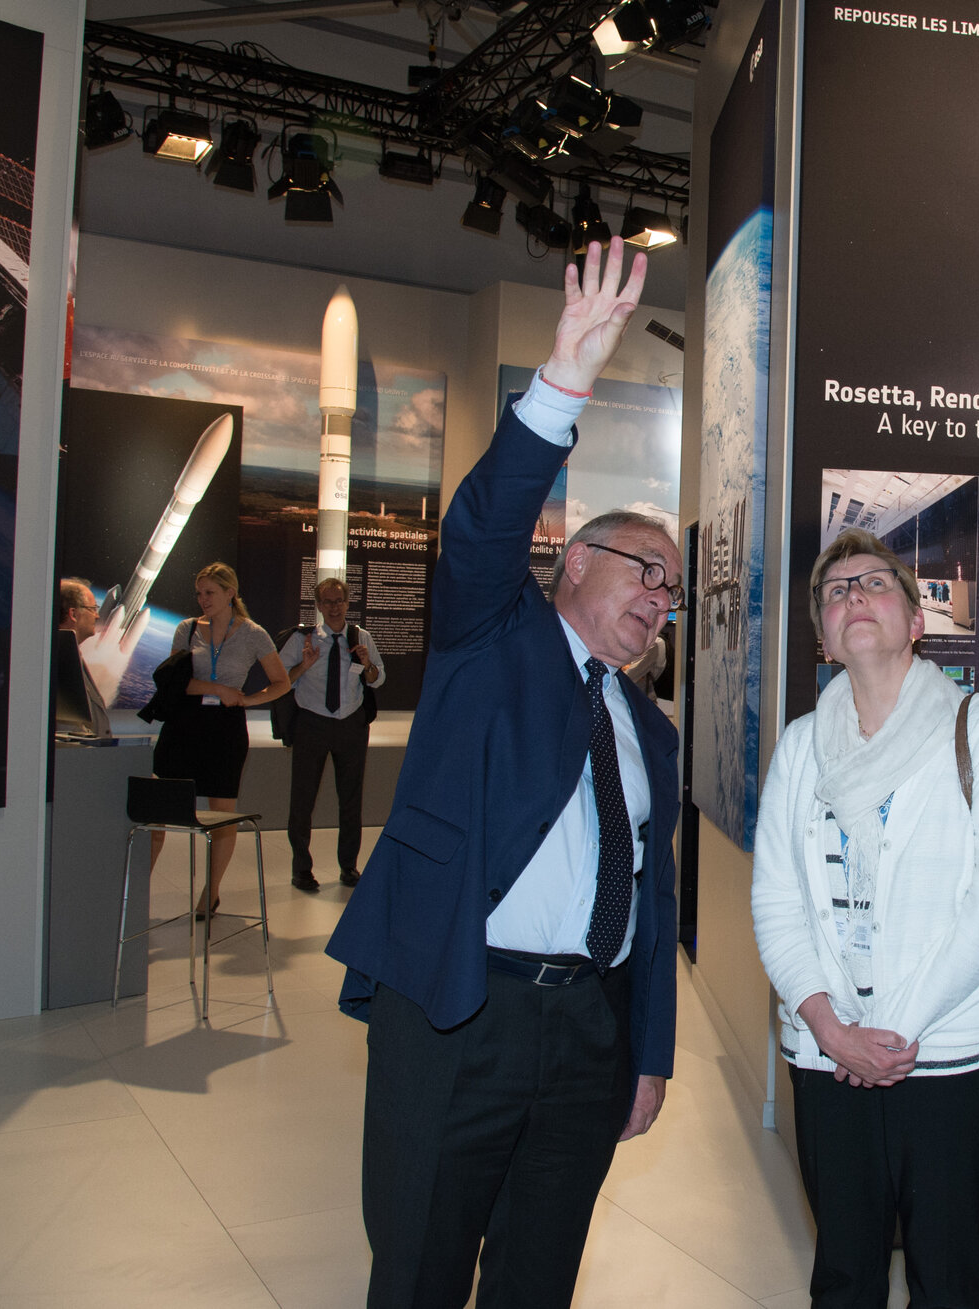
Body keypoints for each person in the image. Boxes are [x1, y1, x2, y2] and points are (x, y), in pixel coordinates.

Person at [324, 243, 680, 1309]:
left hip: (588, 1031)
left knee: (539, 1273)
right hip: (459, 1006)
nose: (661, 597)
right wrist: (563, 380)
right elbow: (479, 532)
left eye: (672, 585)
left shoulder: (647, 731)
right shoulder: (492, 638)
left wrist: (647, 1051)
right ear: (573, 560)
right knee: (424, 1263)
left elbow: (653, 904)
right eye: (643, 572)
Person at [751, 529, 979, 1309]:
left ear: (916, 621)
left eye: (873, 583)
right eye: (837, 591)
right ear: (824, 634)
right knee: (843, 1273)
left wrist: (891, 1035)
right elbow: (777, 902)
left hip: (947, 1057)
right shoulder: (803, 747)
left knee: (946, 1276)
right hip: (829, 1057)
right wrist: (832, 1027)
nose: (854, 598)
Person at [152, 561, 290, 918]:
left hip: (225, 731)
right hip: (183, 725)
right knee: (158, 810)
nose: (202, 600)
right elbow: (175, 682)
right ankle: (138, 889)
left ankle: (209, 894)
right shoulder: (186, 630)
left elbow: (281, 682)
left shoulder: (253, 634)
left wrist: (246, 699)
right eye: (199, 593)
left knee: (221, 816)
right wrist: (218, 688)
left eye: (209, 592)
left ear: (230, 593)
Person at [278, 576, 385, 891]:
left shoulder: (361, 637)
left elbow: (378, 678)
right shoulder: (303, 640)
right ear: (319, 605)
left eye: (339, 601)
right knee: (302, 800)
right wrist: (304, 666)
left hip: (351, 724)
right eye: (328, 601)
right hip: (311, 723)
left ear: (347, 603)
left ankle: (349, 867)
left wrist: (367, 664)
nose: (334, 607)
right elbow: (282, 680)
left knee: (351, 800)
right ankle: (302, 870)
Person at [56, 577, 113, 738]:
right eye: (93, 608)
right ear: (73, 613)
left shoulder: (71, 654)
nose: (96, 616)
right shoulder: (58, 659)